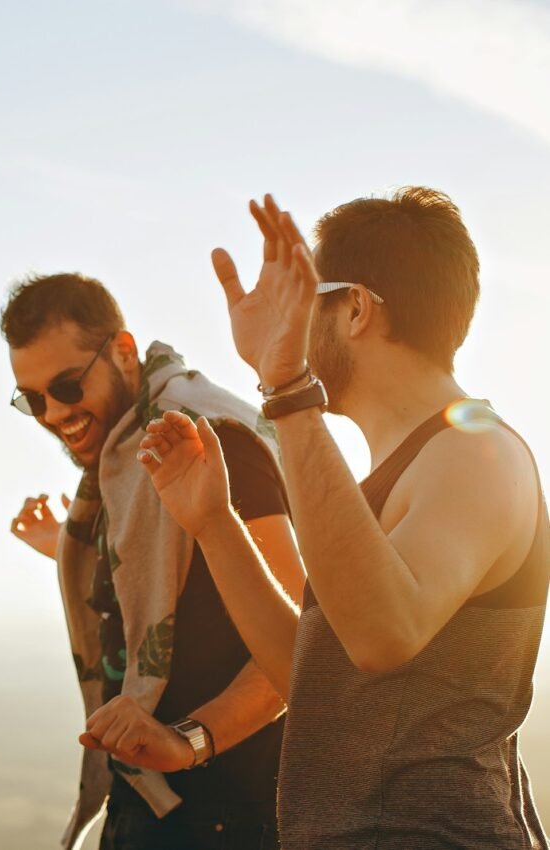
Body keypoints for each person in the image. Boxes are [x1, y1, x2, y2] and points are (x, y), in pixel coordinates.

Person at [133, 188, 548, 848]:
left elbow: (383, 636)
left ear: (355, 308)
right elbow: (315, 675)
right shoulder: (397, 475)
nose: (290, 324)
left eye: (308, 301)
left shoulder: (477, 451)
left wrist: (287, 387)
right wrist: (214, 522)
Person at [2, 273, 304, 850]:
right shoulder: (120, 465)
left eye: (65, 386)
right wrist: (69, 547)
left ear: (122, 351)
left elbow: (296, 646)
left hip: (228, 814)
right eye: (32, 399)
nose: (51, 414)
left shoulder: (211, 441)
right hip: (147, 804)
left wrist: (189, 741)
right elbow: (173, 587)